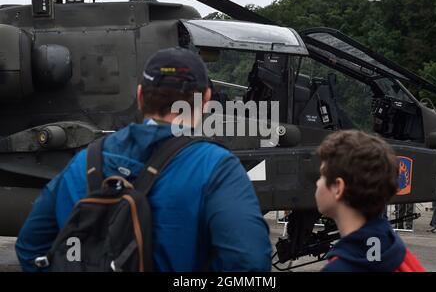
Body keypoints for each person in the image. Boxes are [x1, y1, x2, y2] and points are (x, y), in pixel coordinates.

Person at [15, 47, 272, 272]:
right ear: (205, 100)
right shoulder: (216, 167)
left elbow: (30, 247)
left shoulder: (84, 162)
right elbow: (248, 262)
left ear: (140, 96)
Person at [315, 130, 425, 272]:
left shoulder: (340, 268)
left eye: (322, 176)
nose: (317, 183)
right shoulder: (400, 256)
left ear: (338, 188)